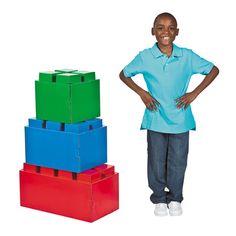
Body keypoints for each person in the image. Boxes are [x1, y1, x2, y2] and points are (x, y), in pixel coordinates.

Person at [119, 12, 219, 216]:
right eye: (161, 27)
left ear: (177, 32)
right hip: (155, 117)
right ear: (153, 31)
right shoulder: (145, 57)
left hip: (180, 118)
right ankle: (158, 198)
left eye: (171, 27)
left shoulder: (187, 56)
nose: (166, 31)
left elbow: (213, 70)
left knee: (178, 160)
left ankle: (175, 198)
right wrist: (141, 92)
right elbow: (124, 74)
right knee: (156, 160)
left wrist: (194, 93)